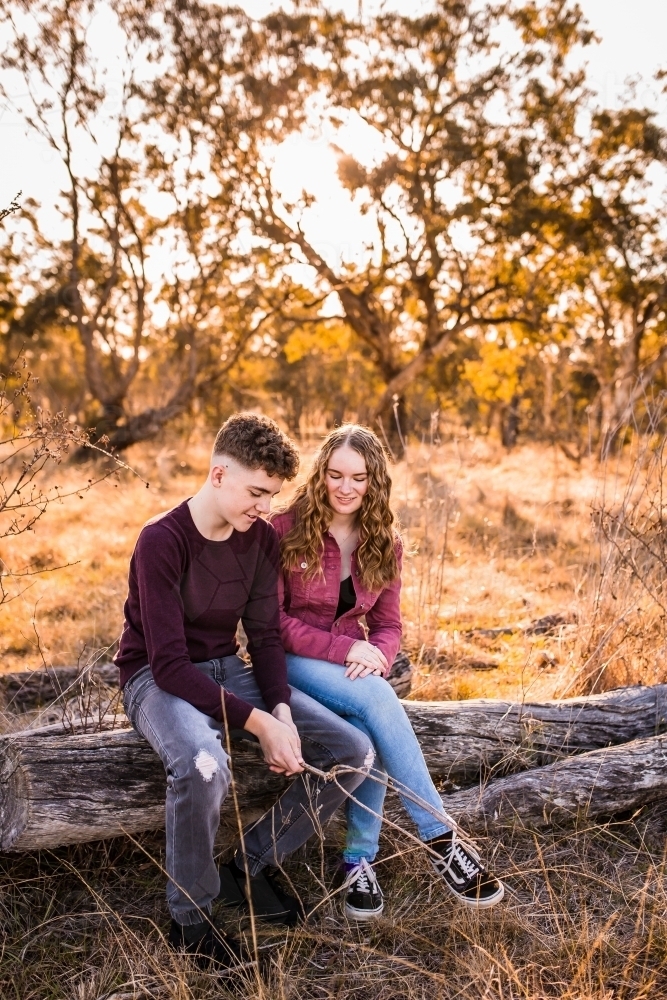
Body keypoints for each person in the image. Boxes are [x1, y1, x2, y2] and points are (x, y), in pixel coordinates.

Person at [115, 413, 375, 970]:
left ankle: (247, 866)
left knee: (352, 750)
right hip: (155, 680)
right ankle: (190, 921)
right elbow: (168, 664)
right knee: (205, 764)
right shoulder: (160, 541)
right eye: (256, 492)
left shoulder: (257, 539)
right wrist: (259, 727)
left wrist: (279, 708)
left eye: (272, 495)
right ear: (218, 474)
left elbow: (262, 634)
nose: (263, 506)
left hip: (226, 668)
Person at [271, 424, 504, 921]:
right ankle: (441, 837)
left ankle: (357, 861)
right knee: (380, 700)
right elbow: (272, 622)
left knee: (368, 728)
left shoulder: (385, 543)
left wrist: (375, 652)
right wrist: (347, 650)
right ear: (321, 475)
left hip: (349, 668)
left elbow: (389, 623)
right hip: (289, 662)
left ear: (375, 481)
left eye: (358, 477)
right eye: (335, 475)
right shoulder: (285, 529)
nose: (345, 487)